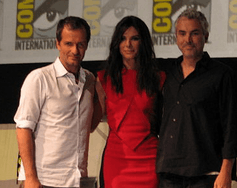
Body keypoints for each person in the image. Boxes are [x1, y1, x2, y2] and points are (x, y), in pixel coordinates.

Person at [156, 9, 237, 188]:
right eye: (182, 33)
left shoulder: (221, 74)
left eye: (194, 33)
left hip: (207, 173)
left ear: (205, 35)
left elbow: (231, 127)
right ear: (176, 37)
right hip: (169, 172)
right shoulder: (168, 73)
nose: (188, 40)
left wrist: (226, 170)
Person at [14, 16, 100, 188]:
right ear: (57, 44)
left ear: (87, 46)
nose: (75, 50)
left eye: (80, 44)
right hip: (44, 180)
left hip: (78, 180)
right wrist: (30, 178)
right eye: (69, 43)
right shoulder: (39, 79)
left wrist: (102, 99)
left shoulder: (90, 80)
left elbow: (87, 127)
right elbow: (23, 128)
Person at [95, 16, 166, 188]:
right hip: (116, 160)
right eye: (123, 39)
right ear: (116, 44)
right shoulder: (103, 79)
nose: (128, 44)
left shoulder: (159, 78)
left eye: (134, 38)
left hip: (149, 159)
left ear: (143, 42)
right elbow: (90, 122)